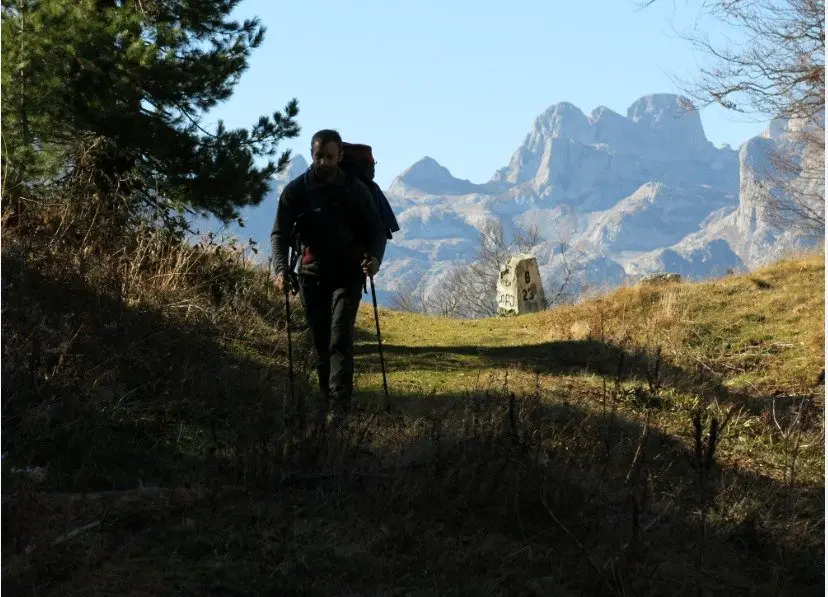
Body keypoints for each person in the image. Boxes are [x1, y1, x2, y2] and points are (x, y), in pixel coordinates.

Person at [270, 129, 388, 420]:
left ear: (340, 156)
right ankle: (325, 400)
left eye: (330, 156)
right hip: (311, 274)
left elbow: (376, 230)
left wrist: (373, 260)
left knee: (340, 337)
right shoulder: (296, 191)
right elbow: (279, 234)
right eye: (319, 156)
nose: (324, 162)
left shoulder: (354, 189)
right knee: (320, 339)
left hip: (349, 274)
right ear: (312, 154)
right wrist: (281, 269)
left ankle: (339, 408)